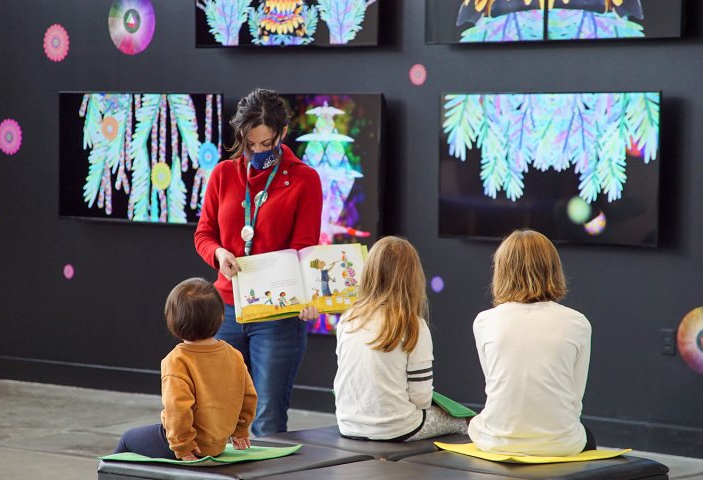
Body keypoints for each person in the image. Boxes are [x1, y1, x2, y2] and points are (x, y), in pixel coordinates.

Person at [194, 88, 323, 436]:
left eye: (266, 143)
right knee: (219, 410)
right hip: (225, 311)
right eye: (250, 143)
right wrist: (218, 254)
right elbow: (204, 234)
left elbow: (304, 247)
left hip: (277, 316)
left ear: (282, 134)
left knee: (267, 416)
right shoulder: (222, 174)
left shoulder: (304, 179)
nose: (257, 151)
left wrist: (307, 296)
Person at [468, 229, 595, 456]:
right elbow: (575, 398)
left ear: (501, 271)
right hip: (561, 444)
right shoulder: (578, 323)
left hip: (495, 441)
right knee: (587, 436)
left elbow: (496, 385)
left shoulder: (484, 321)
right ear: (553, 270)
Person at [334, 236, 468, 441]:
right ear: (414, 278)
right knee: (465, 422)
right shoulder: (413, 325)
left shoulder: (348, 318)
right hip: (397, 428)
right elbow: (421, 399)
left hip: (347, 424)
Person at [113, 278, 257, 459]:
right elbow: (248, 397)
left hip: (189, 447)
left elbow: (177, 409)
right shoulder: (234, 355)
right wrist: (240, 430)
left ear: (173, 322)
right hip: (217, 445)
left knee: (127, 439)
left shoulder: (177, 360)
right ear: (221, 317)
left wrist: (183, 446)